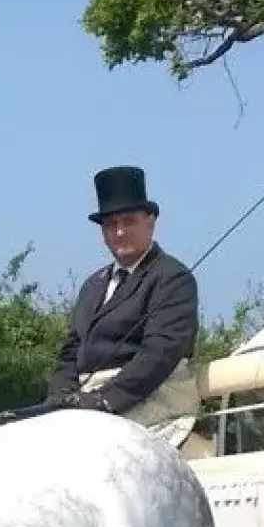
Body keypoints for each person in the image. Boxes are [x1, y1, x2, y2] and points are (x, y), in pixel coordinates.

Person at [43, 165, 202, 446]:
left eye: (128, 222)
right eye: (110, 225)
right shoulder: (93, 285)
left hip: (151, 399)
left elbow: (159, 354)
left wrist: (105, 399)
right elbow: (71, 352)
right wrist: (58, 401)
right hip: (86, 400)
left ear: (150, 221)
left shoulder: (172, 278)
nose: (119, 233)